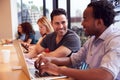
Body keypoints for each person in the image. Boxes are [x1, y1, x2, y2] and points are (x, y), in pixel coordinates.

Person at [34, 1, 120, 80]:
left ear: (99, 22)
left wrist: (58, 70)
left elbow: (105, 75)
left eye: (85, 19)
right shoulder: (93, 40)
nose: (82, 23)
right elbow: (73, 60)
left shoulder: (116, 40)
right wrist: (50, 59)